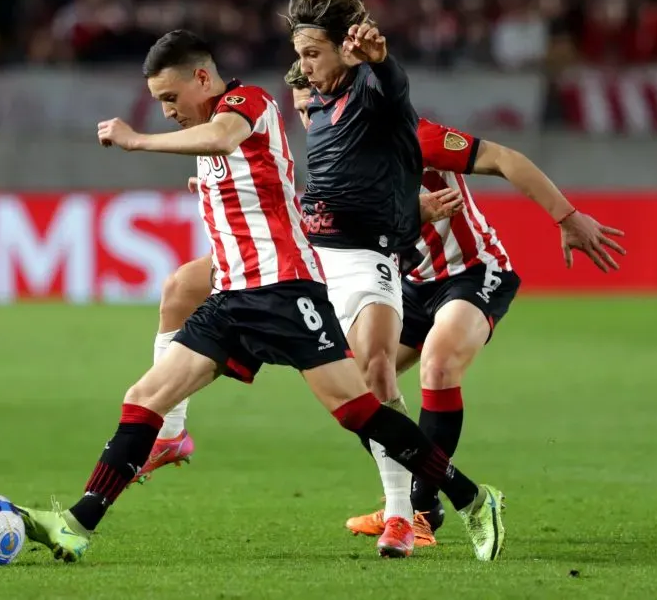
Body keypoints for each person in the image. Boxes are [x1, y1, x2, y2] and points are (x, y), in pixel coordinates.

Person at [13, 29, 506, 564]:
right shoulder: (207, 129)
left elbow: (225, 138)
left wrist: (138, 140)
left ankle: (472, 498)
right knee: (144, 397)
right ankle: (75, 524)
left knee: (360, 410)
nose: (168, 111)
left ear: (202, 77)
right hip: (231, 298)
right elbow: (241, 173)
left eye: (171, 98)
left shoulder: (246, 103)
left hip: (283, 292)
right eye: (160, 104)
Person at [139, 60, 626, 549]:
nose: (312, 122)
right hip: (408, 282)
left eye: (316, 107)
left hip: (471, 272)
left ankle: (419, 509)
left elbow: (504, 158)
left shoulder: (407, 135)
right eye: (303, 114)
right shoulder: (330, 154)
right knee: (363, 391)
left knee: (437, 362)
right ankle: (413, 506)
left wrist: (566, 216)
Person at [148, 0, 431, 557]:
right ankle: (169, 433)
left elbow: (395, 93)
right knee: (179, 288)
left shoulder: (371, 89)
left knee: (375, 375)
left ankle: (406, 515)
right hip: (304, 249)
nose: (303, 70)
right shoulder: (312, 100)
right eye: (299, 56)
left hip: (363, 259)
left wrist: (380, 61)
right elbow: (300, 179)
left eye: (313, 55)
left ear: (344, 51)